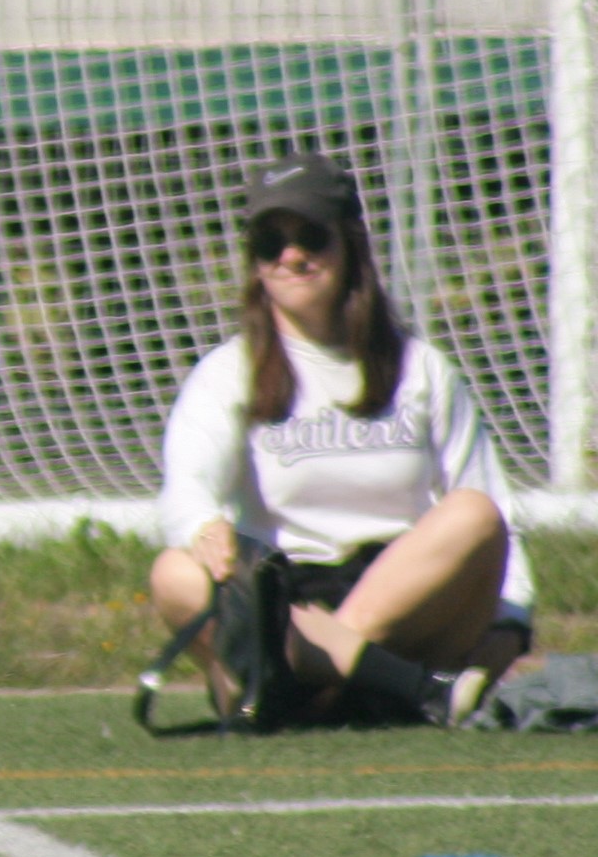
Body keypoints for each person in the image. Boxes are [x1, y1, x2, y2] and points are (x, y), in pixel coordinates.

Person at [150, 149, 533, 728]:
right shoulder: (228, 372)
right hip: (283, 599)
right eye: (269, 244)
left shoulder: (421, 368)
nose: (292, 256)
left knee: (473, 515)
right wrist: (204, 529)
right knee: (172, 574)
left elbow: (497, 510)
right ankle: (401, 692)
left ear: (350, 242)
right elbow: (187, 489)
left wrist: (511, 627)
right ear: (253, 262)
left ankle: (294, 689)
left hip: (407, 605)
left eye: (311, 236)